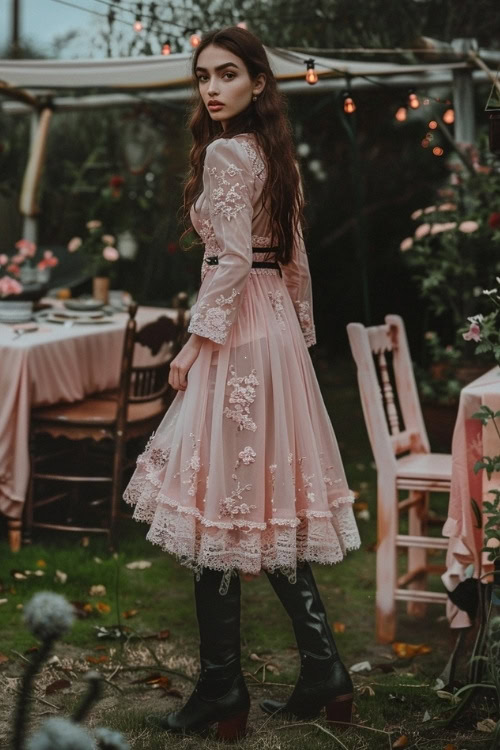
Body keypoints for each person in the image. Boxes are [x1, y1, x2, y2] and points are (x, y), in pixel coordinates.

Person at [124, 26, 361, 741]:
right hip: (274, 331)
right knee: (255, 506)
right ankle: (322, 669)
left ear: (258, 81)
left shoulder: (229, 152)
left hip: (237, 335)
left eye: (227, 74)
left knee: (218, 507)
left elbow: (228, 263)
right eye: (203, 78)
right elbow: (293, 259)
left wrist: (194, 347)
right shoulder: (271, 153)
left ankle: (223, 690)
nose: (212, 89)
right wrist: (300, 340)